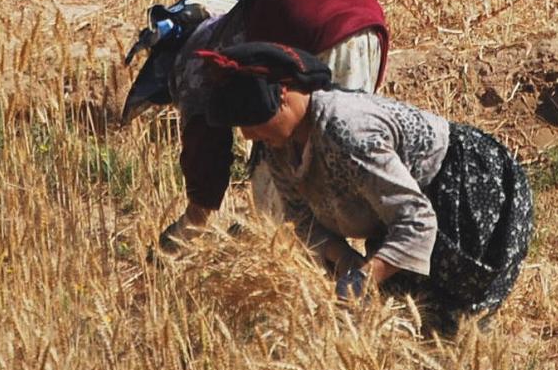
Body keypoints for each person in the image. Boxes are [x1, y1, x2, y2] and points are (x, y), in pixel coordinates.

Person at [196, 42, 534, 325]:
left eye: (253, 122)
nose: (248, 135)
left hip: (465, 191)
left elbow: (416, 221)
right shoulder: (278, 148)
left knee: (450, 324)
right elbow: (300, 219)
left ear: (283, 95)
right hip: (400, 213)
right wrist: (344, 261)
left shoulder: (348, 131)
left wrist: (362, 279)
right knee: (399, 326)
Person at [121, 0, 389, 255]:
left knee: (283, 171)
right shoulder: (237, 18)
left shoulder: (194, 61)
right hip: (367, 20)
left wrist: (186, 229)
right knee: (351, 151)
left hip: (319, 26)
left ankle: (317, 265)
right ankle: (371, 258)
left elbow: (205, 151)